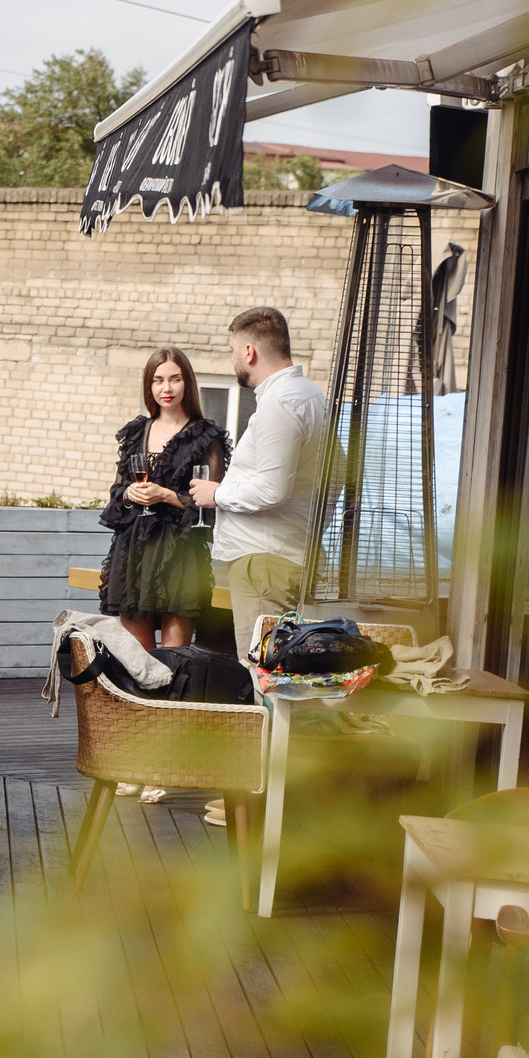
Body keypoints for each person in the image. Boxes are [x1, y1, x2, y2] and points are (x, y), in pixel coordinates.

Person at [189, 306, 331, 828]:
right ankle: (267, 796)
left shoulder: (278, 407)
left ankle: (257, 803)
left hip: (265, 562)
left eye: (232, 351)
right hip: (285, 555)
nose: (233, 360)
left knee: (265, 681)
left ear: (249, 350)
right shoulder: (311, 397)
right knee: (278, 680)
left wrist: (214, 493)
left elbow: (270, 489)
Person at [100, 348, 229, 649]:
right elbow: (120, 501)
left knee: (176, 659)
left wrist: (168, 496)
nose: (166, 388)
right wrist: (131, 494)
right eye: (158, 380)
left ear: (188, 383)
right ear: (149, 386)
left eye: (175, 379)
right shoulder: (135, 433)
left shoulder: (206, 437)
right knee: (138, 662)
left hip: (181, 555)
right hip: (133, 554)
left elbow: (212, 506)